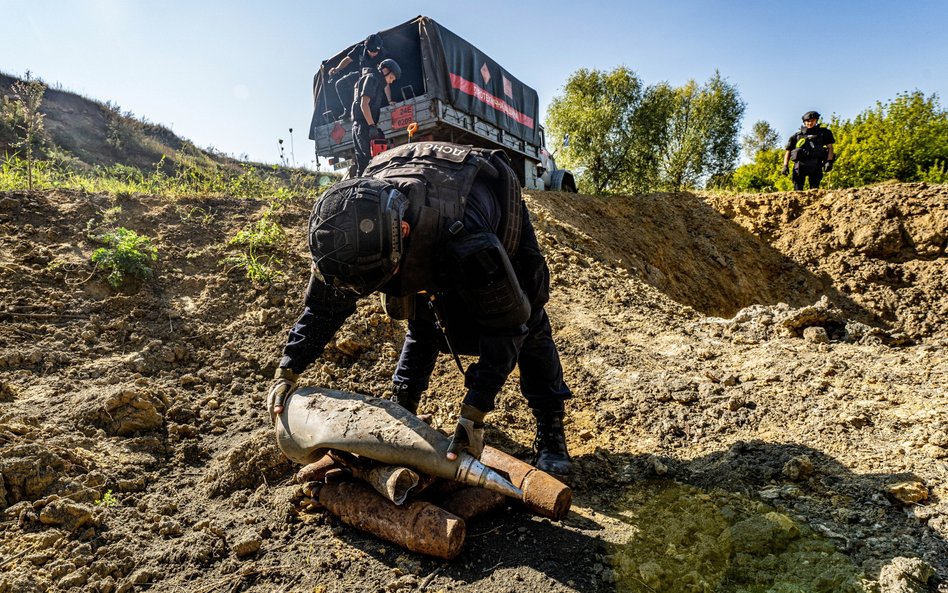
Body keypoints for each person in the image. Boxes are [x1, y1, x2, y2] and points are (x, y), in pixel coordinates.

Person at [267, 141, 574, 480]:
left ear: (403, 233)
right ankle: (402, 404)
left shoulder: (467, 237)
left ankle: (551, 429)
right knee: (422, 314)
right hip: (415, 193)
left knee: (529, 321)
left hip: (489, 205)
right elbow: (322, 308)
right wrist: (288, 370)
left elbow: (507, 328)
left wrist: (474, 412)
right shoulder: (343, 234)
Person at [350, 59, 401, 176]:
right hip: (363, 125)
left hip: (364, 125)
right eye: (392, 77)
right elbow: (364, 104)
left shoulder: (377, 81)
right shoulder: (372, 79)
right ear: (386, 70)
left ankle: (362, 189)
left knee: (363, 163)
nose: (392, 81)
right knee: (371, 161)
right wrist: (371, 126)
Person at [327, 33, 391, 118]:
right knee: (340, 84)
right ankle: (348, 110)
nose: (374, 54)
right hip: (361, 76)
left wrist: (390, 100)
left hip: (375, 80)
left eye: (376, 51)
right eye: (371, 51)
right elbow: (348, 59)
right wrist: (338, 69)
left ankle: (371, 108)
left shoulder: (382, 55)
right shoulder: (360, 49)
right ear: (366, 47)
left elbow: (386, 79)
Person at [782, 111, 836, 190]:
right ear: (804, 122)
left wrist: (829, 161)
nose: (809, 123)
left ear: (816, 121)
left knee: (814, 190)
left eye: (812, 121)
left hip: (816, 164)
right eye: (807, 121)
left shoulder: (823, 133)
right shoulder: (797, 136)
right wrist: (785, 165)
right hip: (800, 166)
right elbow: (788, 151)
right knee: (797, 190)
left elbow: (830, 147)